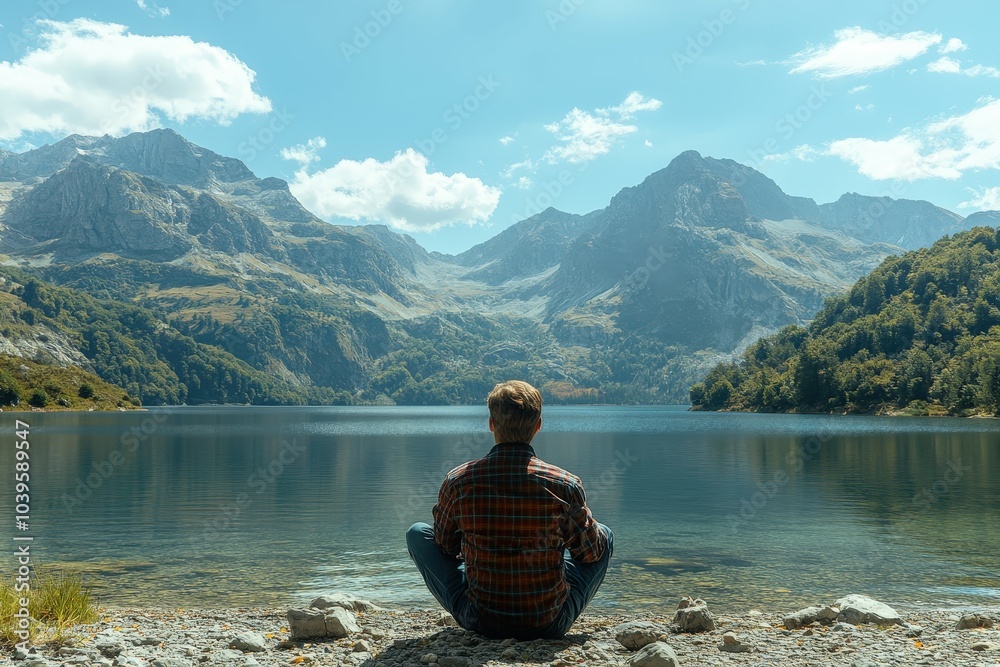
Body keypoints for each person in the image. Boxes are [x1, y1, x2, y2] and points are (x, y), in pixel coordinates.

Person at [406, 380, 613, 640]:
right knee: (604, 535)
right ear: (538, 426)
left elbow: (445, 547)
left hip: (480, 620)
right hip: (549, 624)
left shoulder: (458, 481)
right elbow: (590, 555)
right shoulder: (565, 484)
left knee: (417, 533)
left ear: (491, 423)